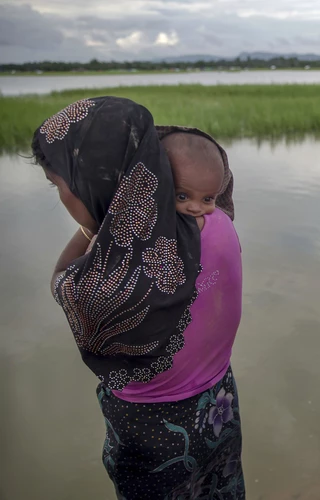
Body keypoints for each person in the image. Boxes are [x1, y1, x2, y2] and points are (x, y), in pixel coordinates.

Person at [32, 97, 245, 499]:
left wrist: (98, 225)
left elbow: (61, 282)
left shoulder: (110, 284)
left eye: (58, 185)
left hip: (153, 433)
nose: (61, 196)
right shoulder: (219, 223)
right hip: (220, 405)